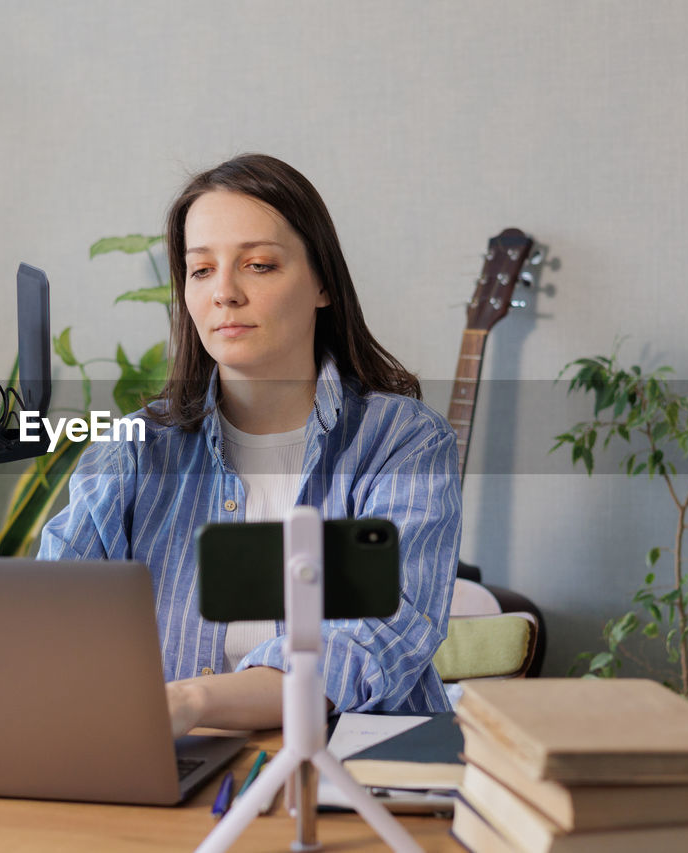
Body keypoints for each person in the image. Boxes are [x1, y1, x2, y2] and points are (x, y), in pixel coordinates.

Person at [38, 154, 461, 736]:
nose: (225, 293)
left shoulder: (404, 442)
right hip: (172, 774)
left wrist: (192, 701)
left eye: (259, 265)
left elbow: (375, 638)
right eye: (201, 270)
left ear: (321, 284)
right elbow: (49, 616)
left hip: (355, 773)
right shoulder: (134, 450)